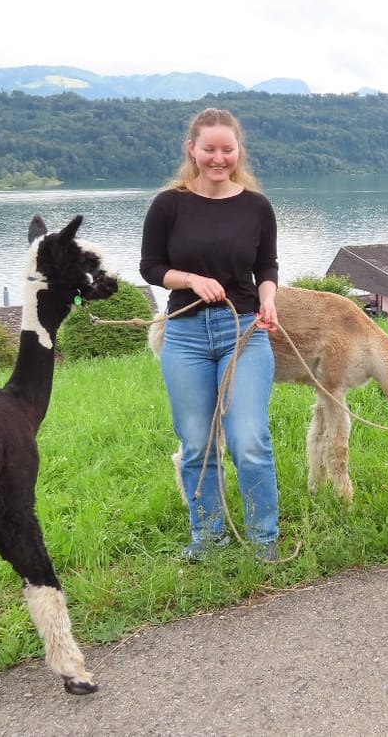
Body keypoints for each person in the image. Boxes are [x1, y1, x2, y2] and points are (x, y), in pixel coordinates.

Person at [140, 107, 281, 561]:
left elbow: (267, 266)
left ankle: (263, 541)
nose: (218, 158)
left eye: (227, 149)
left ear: (238, 151)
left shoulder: (256, 206)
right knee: (198, 440)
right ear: (192, 150)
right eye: (209, 150)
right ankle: (209, 537)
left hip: (244, 332)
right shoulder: (168, 204)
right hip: (184, 335)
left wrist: (269, 299)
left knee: (248, 439)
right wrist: (190, 280)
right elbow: (151, 267)